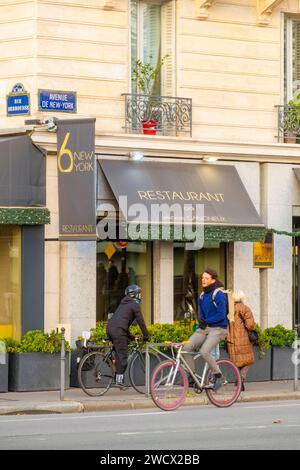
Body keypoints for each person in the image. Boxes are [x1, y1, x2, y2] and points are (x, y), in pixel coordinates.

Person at [183, 268, 228, 391]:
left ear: (213, 280)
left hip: (219, 329)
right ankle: (192, 377)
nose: (203, 280)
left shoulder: (219, 295)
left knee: (204, 352)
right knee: (186, 348)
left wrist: (207, 321)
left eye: (206, 278)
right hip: (206, 328)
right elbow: (201, 314)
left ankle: (218, 375)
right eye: (202, 278)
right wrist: (201, 321)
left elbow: (221, 314)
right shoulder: (202, 296)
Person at [106, 284, 150, 388]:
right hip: (117, 331)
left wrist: (131, 337)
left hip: (110, 329)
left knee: (118, 354)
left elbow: (122, 324)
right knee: (123, 358)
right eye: (139, 294)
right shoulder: (134, 305)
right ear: (134, 295)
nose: (140, 296)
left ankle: (114, 369)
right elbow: (141, 322)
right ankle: (119, 381)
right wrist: (146, 335)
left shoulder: (123, 304)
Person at [226, 290, 256, 391]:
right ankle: (241, 379)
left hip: (231, 339)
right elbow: (250, 325)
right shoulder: (245, 308)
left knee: (236, 361)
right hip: (243, 338)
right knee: (247, 361)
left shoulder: (229, 310)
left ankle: (239, 379)